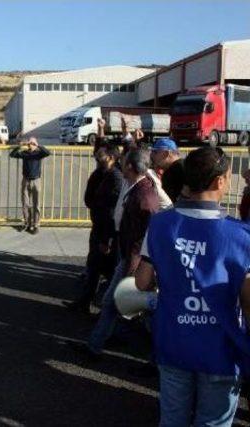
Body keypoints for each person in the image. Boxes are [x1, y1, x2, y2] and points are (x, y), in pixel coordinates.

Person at [136, 147, 250, 426]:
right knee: (213, 422)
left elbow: (142, 281)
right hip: (222, 349)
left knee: (172, 419)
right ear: (219, 181)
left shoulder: (161, 224)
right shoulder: (241, 235)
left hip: (174, 341)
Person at [84, 147, 159, 357]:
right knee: (117, 305)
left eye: (124, 162)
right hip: (128, 257)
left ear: (130, 166)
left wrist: (135, 267)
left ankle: (160, 356)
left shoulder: (144, 196)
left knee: (132, 308)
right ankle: (96, 345)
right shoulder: (136, 188)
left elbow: (148, 235)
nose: (121, 164)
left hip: (134, 262)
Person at [65, 144, 123, 313]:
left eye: (100, 157)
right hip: (98, 227)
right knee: (93, 266)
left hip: (106, 232)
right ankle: (85, 302)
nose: (97, 159)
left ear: (111, 158)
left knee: (108, 270)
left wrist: (107, 239)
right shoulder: (100, 174)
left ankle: (109, 312)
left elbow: (111, 212)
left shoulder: (116, 178)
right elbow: (91, 199)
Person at [9, 136, 51, 234]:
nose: (30, 145)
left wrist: (38, 145)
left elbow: (48, 152)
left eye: (32, 143)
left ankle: (36, 224)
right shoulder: (25, 153)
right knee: (25, 203)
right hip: (26, 180)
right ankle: (27, 223)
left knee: (36, 204)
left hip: (36, 180)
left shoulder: (39, 153)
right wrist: (20, 146)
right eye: (29, 143)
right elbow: (12, 154)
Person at [150, 137, 185, 203]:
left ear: (166, 154)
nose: (152, 155)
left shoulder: (173, 172)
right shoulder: (186, 166)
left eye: (155, 152)